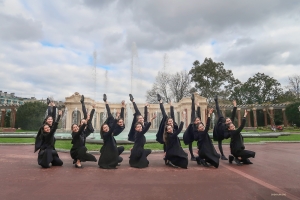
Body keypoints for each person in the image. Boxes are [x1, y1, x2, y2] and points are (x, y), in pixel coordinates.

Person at [98, 94, 125, 169]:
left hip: (112, 141)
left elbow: (122, 117)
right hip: (109, 138)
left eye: (121, 122)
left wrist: (122, 106)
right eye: (119, 122)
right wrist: (106, 102)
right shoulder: (112, 122)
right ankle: (110, 159)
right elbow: (109, 111)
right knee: (109, 115)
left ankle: (113, 158)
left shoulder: (121, 127)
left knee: (120, 149)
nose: (121, 123)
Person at [70, 95, 97, 168]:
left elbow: (87, 117)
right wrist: (86, 121)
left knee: (93, 159)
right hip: (75, 151)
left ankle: (77, 159)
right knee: (83, 148)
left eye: (83, 122)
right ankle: (77, 161)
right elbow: (81, 128)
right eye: (81, 122)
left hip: (81, 149)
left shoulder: (85, 132)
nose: (83, 123)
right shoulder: (75, 133)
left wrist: (93, 109)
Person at [183, 93, 202, 161]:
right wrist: (193, 101)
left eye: (198, 120)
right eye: (196, 120)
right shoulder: (192, 122)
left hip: (196, 134)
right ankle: (192, 156)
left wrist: (198, 106)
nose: (198, 121)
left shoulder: (200, 123)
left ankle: (201, 154)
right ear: (194, 121)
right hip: (190, 134)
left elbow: (199, 114)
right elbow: (193, 110)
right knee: (190, 143)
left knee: (200, 141)